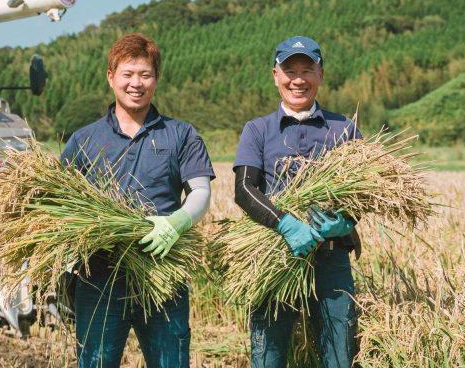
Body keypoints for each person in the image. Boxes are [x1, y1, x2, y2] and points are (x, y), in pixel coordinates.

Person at [61, 33, 215, 368]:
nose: (136, 83)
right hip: (99, 275)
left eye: (145, 75)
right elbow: (60, 205)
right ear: (110, 77)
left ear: (156, 79)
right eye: (127, 74)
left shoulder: (181, 134)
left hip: (163, 274)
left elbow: (200, 192)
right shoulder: (84, 140)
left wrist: (176, 224)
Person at [233, 36, 361, 368]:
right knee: (268, 356)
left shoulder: (344, 129)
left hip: (332, 259)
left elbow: (365, 195)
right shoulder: (257, 130)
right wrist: (285, 224)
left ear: (321, 74)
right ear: (276, 75)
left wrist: (346, 220)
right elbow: (244, 190)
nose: (298, 79)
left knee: (339, 355)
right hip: (274, 256)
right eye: (290, 70)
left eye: (307, 70)